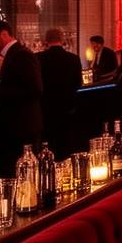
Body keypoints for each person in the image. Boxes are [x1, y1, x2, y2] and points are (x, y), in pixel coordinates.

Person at [0, 19, 44, 176]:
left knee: (23, 176)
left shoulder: (21, 55)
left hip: (22, 128)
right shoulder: (10, 55)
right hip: (17, 128)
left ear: (4, 34)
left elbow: (34, 89)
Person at [37, 28, 83, 159]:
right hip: (67, 108)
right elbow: (78, 83)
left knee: (47, 146)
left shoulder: (38, 58)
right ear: (62, 40)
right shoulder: (73, 59)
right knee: (65, 145)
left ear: (46, 40)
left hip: (45, 109)